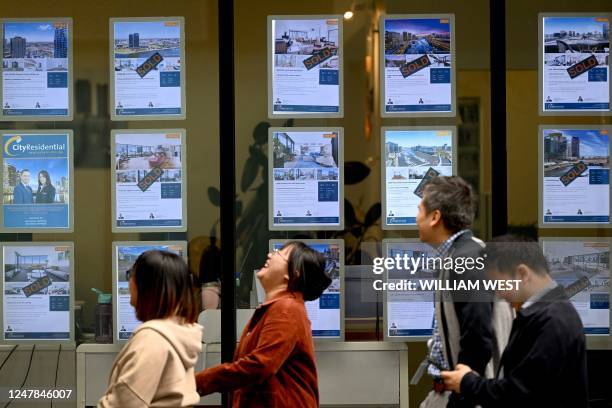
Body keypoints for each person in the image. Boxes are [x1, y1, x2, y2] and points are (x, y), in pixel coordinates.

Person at [441, 236, 588, 408]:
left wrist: (467, 382)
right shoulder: (543, 314)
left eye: (498, 284)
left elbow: (519, 393)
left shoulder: (553, 322)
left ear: (522, 274)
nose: (499, 294)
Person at [195, 241, 331, 407]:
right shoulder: (277, 308)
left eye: (279, 253)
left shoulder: (286, 309)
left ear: (292, 274)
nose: (270, 255)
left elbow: (259, 365)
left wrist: (196, 382)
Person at [415, 176, 513, 408]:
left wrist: (463, 394)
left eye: (419, 210)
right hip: (454, 392)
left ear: (435, 217)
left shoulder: (466, 260)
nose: (415, 218)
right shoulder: (461, 255)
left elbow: (478, 337)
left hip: (469, 396)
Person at [98, 250, 203, 407]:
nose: (129, 282)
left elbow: (125, 403)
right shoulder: (179, 331)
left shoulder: (152, 340)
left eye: (131, 275)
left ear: (146, 285)